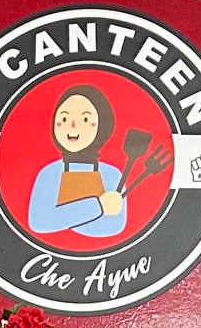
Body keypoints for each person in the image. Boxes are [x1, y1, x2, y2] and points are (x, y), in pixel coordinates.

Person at [26, 85, 128, 238]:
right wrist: (98, 206)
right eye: (64, 119)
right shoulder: (49, 173)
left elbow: (114, 226)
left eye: (85, 119)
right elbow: (39, 222)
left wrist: (63, 219)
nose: (72, 126)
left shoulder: (112, 175)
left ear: (102, 125)